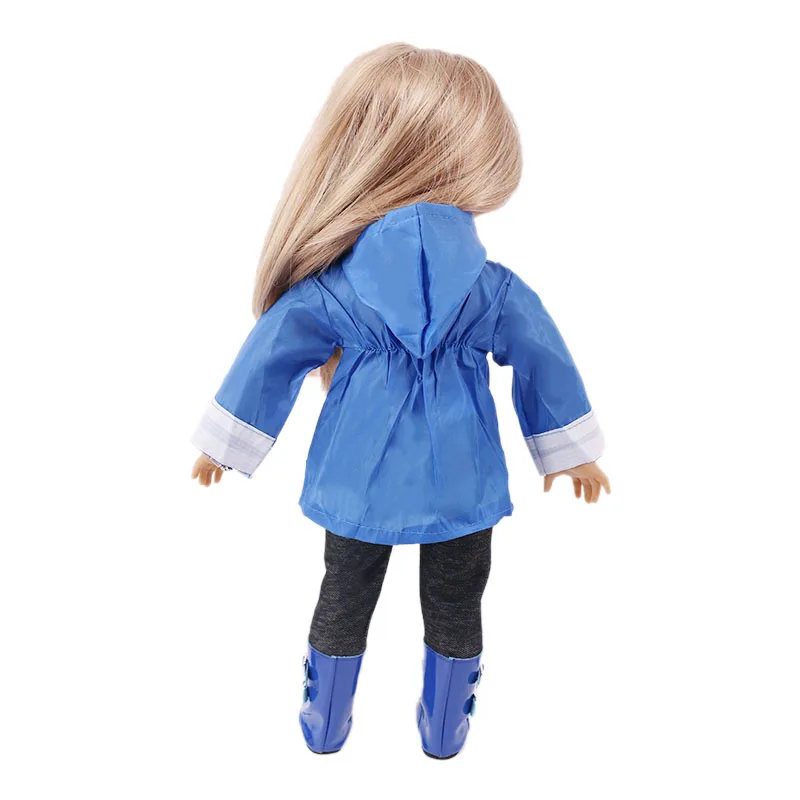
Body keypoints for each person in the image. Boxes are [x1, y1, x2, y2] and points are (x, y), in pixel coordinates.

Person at [190, 43, 610, 759]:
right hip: (463, 479)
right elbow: (542, 354)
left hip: (357, 476)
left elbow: (273, 353)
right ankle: (444, 728)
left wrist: (224, 445)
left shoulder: (336, 287)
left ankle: (325, 720)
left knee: (344, 593)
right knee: (456, 601)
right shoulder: (490, 287)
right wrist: (571, 452)